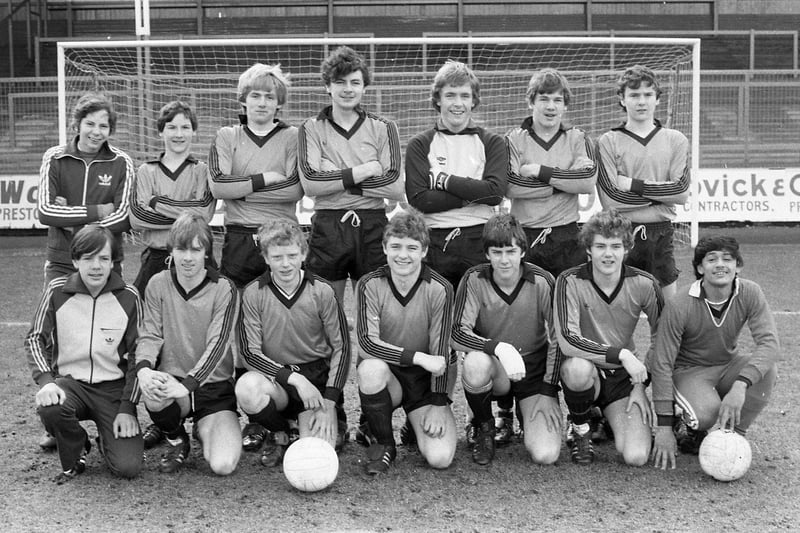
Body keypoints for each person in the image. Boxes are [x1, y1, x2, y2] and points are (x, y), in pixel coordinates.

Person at [405, 60, 508, 446]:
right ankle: (436, 404)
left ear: (475, 100)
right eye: (451, 95)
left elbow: (496, 192)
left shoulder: (492, 142)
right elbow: (419, 199)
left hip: (480, 241)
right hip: (435, 246)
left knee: (482, 332)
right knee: (437, 334)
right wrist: (472, 190)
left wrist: (445, 181)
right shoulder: (420, 144)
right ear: (438, 100)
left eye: (465, 95)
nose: (458, 102)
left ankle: (486, 418)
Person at [207, 63, 302, 451]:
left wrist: (243, 189)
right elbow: (218, 185)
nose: (262, 103)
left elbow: (296, 189)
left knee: (281, 323)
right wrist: (266, 180)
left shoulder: (293, 136)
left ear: (279, 103)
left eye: (269, 96)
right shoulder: (227, 135)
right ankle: (254, 417)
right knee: (242, 327)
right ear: (242, 101)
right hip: (240, 239)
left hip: (280, 239)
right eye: (255, 95)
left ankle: (287, 405)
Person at [36, 92, 135, 450]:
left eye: (103, 125)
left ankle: (118, 404)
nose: (96, 131)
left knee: (109, 336)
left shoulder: (122, 161)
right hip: (62, 262)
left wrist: (75, 216)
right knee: (57, 335)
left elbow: (123, 216)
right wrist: (95, 212)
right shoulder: (56, 157)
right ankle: (58, 417)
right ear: (76, 124)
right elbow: (46, 211)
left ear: (111, 129)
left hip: (108, 263)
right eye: (90, 123)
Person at [504, 67, 597, 441]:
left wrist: (539, 171)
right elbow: (511, 187)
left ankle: (583, 410)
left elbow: (587, 183)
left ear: (565, 105)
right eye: (544, 98)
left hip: (565, 237)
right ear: (532, 101)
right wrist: (560, 182)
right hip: (524, 238)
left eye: (558, 100)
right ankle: (506, 411)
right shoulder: (514, 138)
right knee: (520, 323)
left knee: (570, 325)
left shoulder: (578, 137)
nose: (551, 106)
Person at [24, 225, 142, 483]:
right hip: (71, 384)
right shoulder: (57, 290)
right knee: (51, 408)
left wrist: (127, 406)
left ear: (114, 261)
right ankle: (77, 445)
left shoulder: (129, 297)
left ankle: (107, 436)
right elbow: (35, 338)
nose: (96, 266)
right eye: (88, 258)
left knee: (128, 467)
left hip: (113, 391)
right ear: (75, 261)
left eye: (103, 258)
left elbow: (138, 355)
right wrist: (46, 382)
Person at [650, 236, 779, 470]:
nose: (720, 264)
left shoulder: (750, 292)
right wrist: (664, 427)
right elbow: (661, 363)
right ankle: (686, 424)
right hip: (689, 371)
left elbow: (769, 344)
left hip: (727, 365)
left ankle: (733, 437)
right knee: (705, 416)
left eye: (727, 259)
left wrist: (740, 385)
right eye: (712, 259)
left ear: (738, 265)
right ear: (700, 268)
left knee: (767, 369)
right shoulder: (680, 303)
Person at [235, 219, 351, 467]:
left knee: (319, 454)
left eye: (291, 255)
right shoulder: (254, 293)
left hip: (315, 379)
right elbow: (249, 353)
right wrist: (294, 379)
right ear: (266, 258)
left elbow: (343, 347)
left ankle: (328, 421)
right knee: (247, 388)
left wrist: (329, 400)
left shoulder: (322, 291)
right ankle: (280, 431)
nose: (285, 263)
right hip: (278, 378)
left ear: (303, 254)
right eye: (277, 257)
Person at [554, 209, 663, 466]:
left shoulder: (645, 284)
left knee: (635, 457)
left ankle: (607, 416)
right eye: (600, 246)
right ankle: (580, 428)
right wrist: (621, 354)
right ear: (589, 249)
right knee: (576, 369)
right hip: (587, 371)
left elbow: (663, 336)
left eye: (615, 246)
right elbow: (568, 339)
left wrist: (640, 385)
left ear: (627, 248)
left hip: (622, 380)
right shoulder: (569, 281)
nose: (608, 253)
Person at [451, 214, 562, 466]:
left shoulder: (543, 281)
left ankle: (522, 411)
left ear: (522, 251)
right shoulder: (474, 279)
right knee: (475, 363)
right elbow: (457, 333)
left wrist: (548, 390)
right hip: (495, 366)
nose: (504, 259)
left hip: (533, 369)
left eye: (510, 251)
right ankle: (484, 427)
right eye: (497, 252)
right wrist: (498, 348)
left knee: (546, 454)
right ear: (487, 254)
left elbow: (559, 338)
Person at [135, 213, 241, 475]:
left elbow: (218, 345)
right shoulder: (158, 283)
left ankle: (206, 429)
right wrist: (144, 369)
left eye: (196, 249)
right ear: (171, 250)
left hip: (212, 388)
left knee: (223, 465)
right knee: (152, 389)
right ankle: (175, 436)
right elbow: (149, 334)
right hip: (173, 382)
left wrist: (189, 385)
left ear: (206, 252)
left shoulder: (224, 288)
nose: (188, 257)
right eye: (181, 249)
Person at [297, 45, 404, 304]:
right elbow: (311, 183)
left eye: (355, 82)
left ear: (364, 87)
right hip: (328, 225)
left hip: (372, 225)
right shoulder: (311, 128)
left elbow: (394, 187)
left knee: (373, 312)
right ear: (328, 86)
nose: (348, 89)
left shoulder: (384, 127)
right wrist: (366, 169)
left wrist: (335, 176)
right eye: (340, 82)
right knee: (324, 310)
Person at [355, 208, 457, 474]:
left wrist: (438, 402)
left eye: (412, 248)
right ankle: (384, 443)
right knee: (370, 368)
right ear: (384, 248)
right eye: (396, 246)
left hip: (423, 383)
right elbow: (367, 343)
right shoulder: (369, 284)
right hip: (390, 376)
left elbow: (441, 353)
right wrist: (418, 357)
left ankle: (415, 423)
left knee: (440, 458)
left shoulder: (440, 288)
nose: (403, 255)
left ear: (423, 251)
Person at [595, 64, 690, 301]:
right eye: (634, 95)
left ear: (657, 99)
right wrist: (660, 196)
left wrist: (631, 184)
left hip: (661, 235)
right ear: (622, 99)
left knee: (667, 315)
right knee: (615, 316)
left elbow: (680, 192)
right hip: (619, 234)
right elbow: (611, 199)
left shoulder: (675, 140)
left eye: (648, 95)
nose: (641, 101)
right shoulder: (608, 141)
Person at [130, 100, 216, 297]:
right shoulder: (146, 170)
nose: (178, 134)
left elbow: (204, 213)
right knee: (146, 319)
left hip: (196, 257)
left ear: (194, 131)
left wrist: (155, 202)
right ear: (161, 131)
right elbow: (137, 218)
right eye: (172, 127)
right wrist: (189, 218)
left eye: (185, 127)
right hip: (156, 258)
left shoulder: (201, 170)